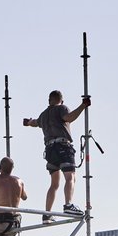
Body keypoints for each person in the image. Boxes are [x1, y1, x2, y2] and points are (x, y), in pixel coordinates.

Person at [23, 90, 90, 220]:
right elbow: (69, 117)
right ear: (62, 100)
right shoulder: (61, 108)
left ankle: (47, 213)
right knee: (70, 178)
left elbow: (34, 123)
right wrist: (83, 106)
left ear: (49, 100)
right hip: (63, 147)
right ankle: (68, 205)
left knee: (54, 184)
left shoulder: (43, 115)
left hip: (49, 151)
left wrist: (28, 122)